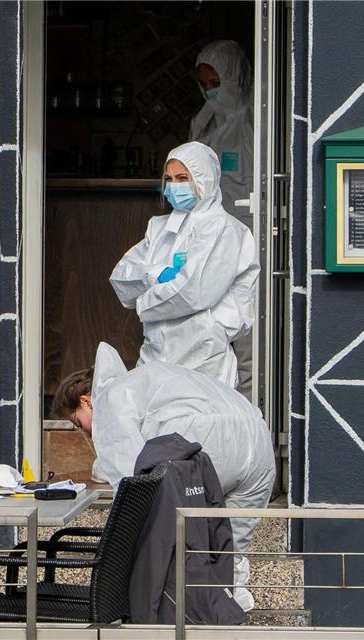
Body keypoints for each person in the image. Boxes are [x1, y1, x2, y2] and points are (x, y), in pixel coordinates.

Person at [53, 342, 275, 612]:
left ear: (86, 400)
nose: (85, 433)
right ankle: (230, 612)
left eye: (79, 422)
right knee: (231, 550)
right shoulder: (145, 378)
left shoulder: (110, 397)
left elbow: (132, 479)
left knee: (184, 540)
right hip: (259, 441)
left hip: (210, 444)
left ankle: (196, 617)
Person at [109, 141, 258, 389]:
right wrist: (157, 276)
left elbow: (193, 293)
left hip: (202, 356)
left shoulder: (224, 229)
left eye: (182, 178)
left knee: (196, 424)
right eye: (169, 178)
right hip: (155, 352)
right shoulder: (160, 227)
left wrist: (145, 301)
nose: (174, 186)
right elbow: (121, 280)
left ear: (205, 179)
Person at [190, 40, 256, 396]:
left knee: (245, 336)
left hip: (244, 241)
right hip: (209, 242)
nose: (209, 92)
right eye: (202, 85)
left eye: (215, 83)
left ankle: (249, 413)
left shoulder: (256, 124)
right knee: (209, 336)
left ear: (234, 77)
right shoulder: (204, 124)